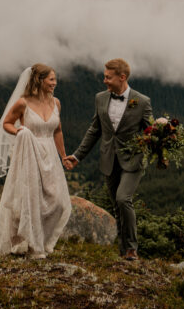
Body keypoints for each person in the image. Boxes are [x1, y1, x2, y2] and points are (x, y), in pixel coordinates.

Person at [63, 58, 154, 260]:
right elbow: (94, 130)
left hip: (133, 161)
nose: (104, 81)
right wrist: (78, 155)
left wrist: (161, 138)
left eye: (108, 77)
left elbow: (151, 131)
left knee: (123, 199)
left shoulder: (142, 101)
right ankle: (124, 254)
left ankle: (131, 248)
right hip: (109, 160)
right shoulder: (100, 98)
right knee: (116, 205)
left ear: (122, 77)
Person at [0, 63, 72, 259]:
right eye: (51, 79)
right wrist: (21, 132)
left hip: (50, 154)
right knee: (31, 200)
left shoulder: (56, 103)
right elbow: (5, 123)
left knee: (57, 202)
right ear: (39, 81)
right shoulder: (22, 103)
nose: (54, 83)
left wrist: (63, 155)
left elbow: (57, 130)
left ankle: (42, 241)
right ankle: (33, 246)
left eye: (55, 79)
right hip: (29, 153)